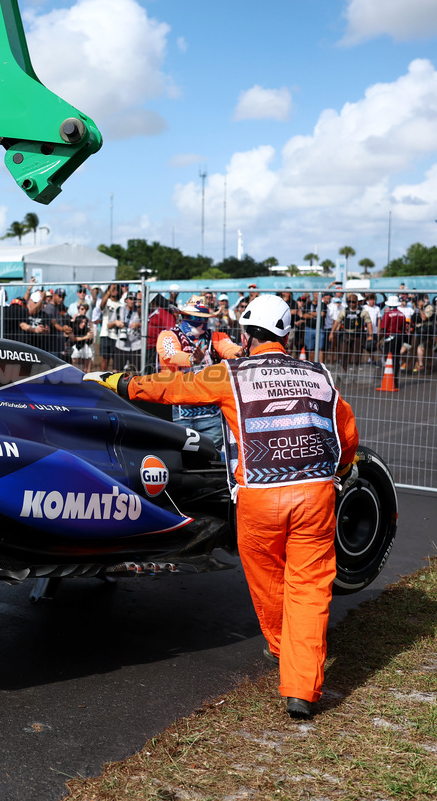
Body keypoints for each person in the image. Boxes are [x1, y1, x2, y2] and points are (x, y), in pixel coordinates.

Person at [88, 295, 359, 720]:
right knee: (310, 587)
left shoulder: (230, 373)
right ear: (287, 334)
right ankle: (302, 689)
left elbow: (170, 387)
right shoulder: (319, 373)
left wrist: (118, 383)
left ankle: (278, 644)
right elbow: (346, 430)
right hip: (317, 494)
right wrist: (342, 469)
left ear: (248, 334)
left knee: (267, 577)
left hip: (260, 497)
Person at [155, 294, 241, 451]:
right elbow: (170, 354)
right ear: (184, 316)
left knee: (212, 460)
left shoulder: (215, 337)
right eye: (196, 317)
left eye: (204, 318)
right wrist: (191, 359)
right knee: (181, 460)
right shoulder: (168, 336)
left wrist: (241, 352)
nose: (201, 322)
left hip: (211, 414)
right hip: (178, 413)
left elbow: (229, 348)